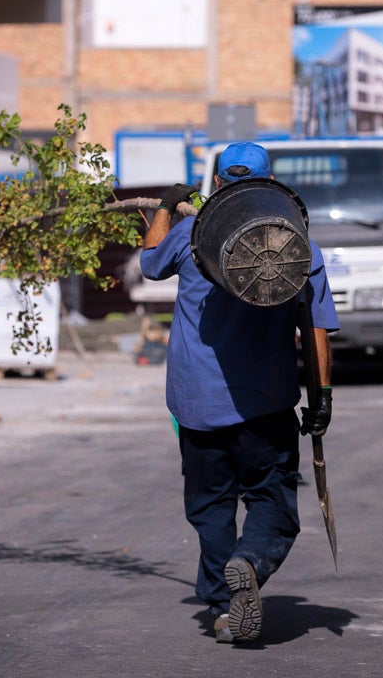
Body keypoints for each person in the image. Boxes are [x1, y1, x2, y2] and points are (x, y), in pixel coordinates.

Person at [140, 141, 339, 644]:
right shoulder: (298, 246)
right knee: (272, 503)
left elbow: (148, 263)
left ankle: (224, 607)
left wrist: (164, 207)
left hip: (196, 404)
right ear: (269, 186)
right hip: (265, 406)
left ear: (218, 188)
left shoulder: (188, 235)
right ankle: (249, 562)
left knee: (211, 510)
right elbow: (316, 328)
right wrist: (322, 398)